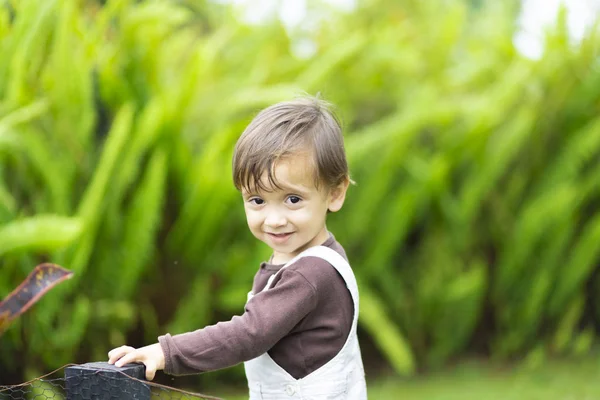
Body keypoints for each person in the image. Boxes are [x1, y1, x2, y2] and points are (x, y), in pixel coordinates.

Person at [108, 96, 368, 399]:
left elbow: (249, 333)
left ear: (335, 193)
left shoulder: (312, 273)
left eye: (293, 199)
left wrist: (166, 352)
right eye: (257, 200)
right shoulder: (314, 257)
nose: (274, 219)